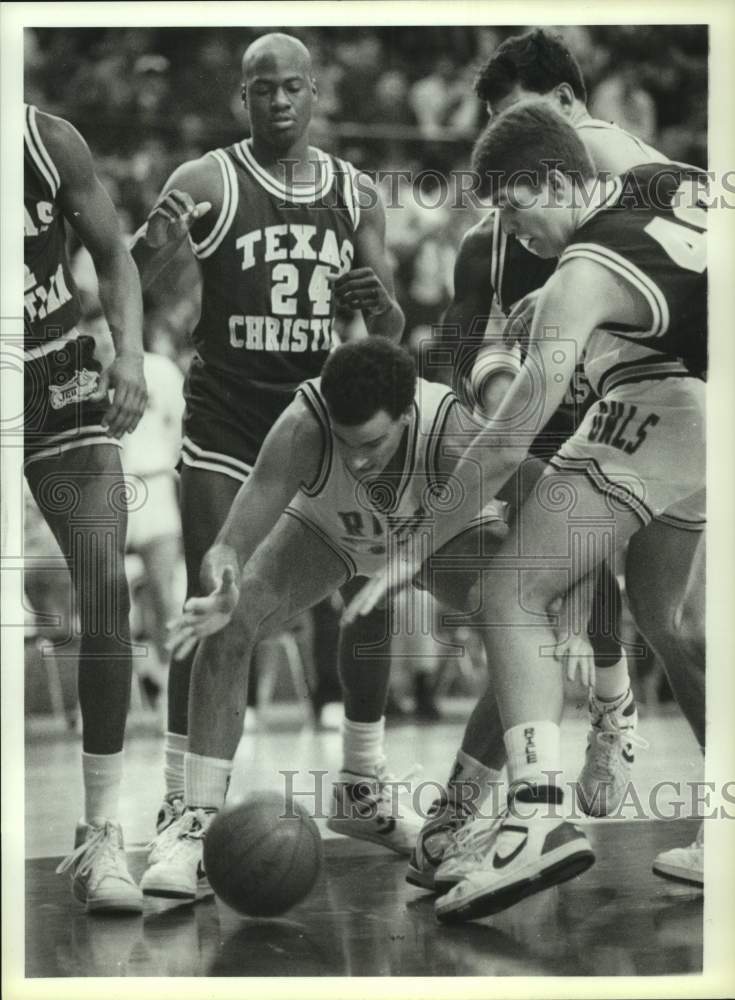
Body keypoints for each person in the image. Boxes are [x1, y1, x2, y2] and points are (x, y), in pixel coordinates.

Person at [406, 27, 705, 892]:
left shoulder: (591, 212)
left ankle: (533, 808)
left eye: (514, 123)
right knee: (635, 609)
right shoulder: (649, 181)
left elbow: (502, 432)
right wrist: (503, 351)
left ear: (567, 115)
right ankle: (568, 756)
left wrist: (424, 529)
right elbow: (467, 347)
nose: (502, 213)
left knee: (518, 591)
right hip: (656, 384)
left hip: (658, 392)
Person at [130, 33, 410, 862]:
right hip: (226, 426)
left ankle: (362, 779)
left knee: (370, 596)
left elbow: (386, 334)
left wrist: (384, 305)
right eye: (263, 89)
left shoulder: (357, 193)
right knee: (210, 602)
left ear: (316, 93)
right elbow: (127, 280)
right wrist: (155, 241)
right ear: (240, 100)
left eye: (293, 87)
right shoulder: (205, 179)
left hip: (320, 425)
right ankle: (184, 814)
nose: (279, 101)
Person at [145, 337, 508, 900]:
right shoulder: (304, 425)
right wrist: (222, 577)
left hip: (433, 537)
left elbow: (537, 516)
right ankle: (193, 823)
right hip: (328, 533)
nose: (358, 458)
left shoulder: (453, 435)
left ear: (408, 413)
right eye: (347, 442)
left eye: (373, 443)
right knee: (231, 617)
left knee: (527, 627)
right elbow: (231, 544)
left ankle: (451, 822)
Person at [23, 104, 148, 912]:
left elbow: (114, 254)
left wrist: (129, 351)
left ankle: (103, 830)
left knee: (106, 583)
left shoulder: (44, 138)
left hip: (55, 371)